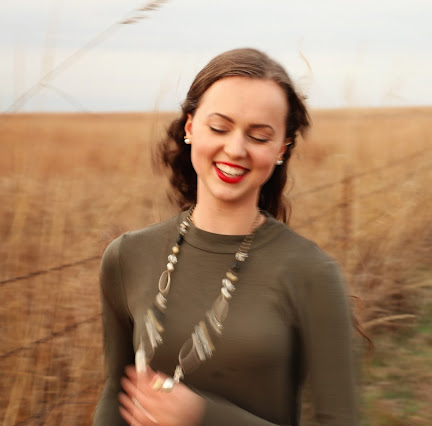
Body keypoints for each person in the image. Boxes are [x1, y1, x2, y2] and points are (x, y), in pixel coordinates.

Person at [93, 48, 357, 425]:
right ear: (190, 127)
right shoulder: (126, 257)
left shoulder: (312, 273)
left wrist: (201, 416)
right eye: (219, 128)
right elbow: (115, 393)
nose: (235, 149)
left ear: (281, 149)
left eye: (259, 136)